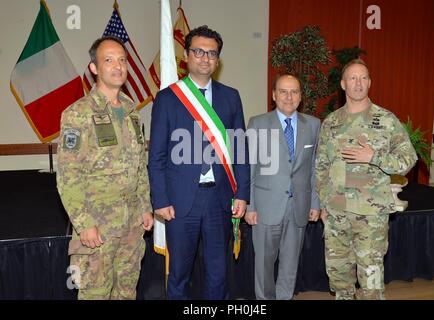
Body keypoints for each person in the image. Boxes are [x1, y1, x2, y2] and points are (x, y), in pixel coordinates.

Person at [148, 25, 249, 300]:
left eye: (212, 53)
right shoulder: (168, 98)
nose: (205, 58)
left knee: (218, 272)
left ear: (218, 60)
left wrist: (243, 194)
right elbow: (156, 155)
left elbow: (240, 149)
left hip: (220, 198)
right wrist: (160, 199)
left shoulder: (231, 97)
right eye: (199, 51)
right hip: (180, 202)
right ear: (187, 55)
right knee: (179, 273)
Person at [56, 36, 153, 300]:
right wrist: (84, 223)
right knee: (95, 294)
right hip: (97, 227)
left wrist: (145, 206)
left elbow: (139, 166)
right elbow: (68, 174)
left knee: (126, 292)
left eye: (122, 60)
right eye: (108, 60)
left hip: (131, 225)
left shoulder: (132, 111)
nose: (118, 66)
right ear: (94, 69)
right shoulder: (78, 113)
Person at [315, 59, 417, 300]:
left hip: (371, 216)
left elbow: (408, 159)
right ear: (343, 84)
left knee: (370, 282)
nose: (358, 83)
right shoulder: (331, 123)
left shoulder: (386, 120)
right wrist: (322, 203)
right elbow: (321, 167)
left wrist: (375, 157)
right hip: (337, 213)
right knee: (339, 279)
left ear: (370, 83)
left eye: (363, 78)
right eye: (352, 78)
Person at [244, 73, 320, 300]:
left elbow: (315, 167)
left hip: (299, 206)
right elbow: (250, 167)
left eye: (294, 91)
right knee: (264, 266)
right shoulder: (258, 123)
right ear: (274, 95)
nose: (289, 97)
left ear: (300, 96)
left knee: (290, 265)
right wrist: (250, 206)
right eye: (284, 91)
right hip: (266, 208)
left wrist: (315, 202)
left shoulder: (313, 125)